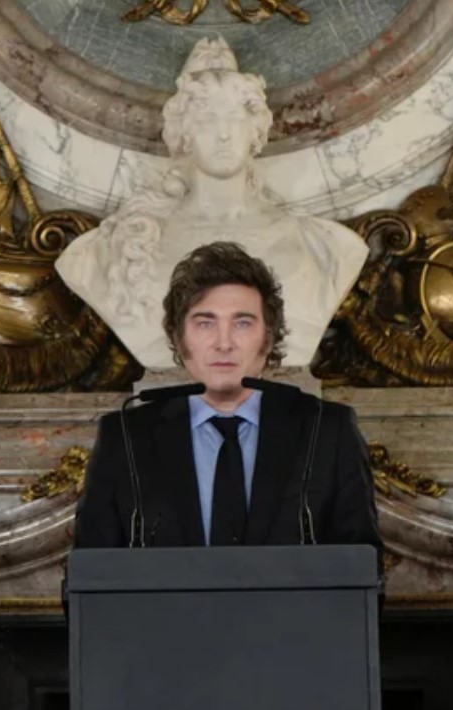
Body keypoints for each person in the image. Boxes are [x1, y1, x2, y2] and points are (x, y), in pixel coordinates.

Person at [54, 37, 368, 369]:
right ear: (184, 134)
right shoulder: (117, 247)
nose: (224, 133)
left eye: (234, 118)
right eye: (208, 119)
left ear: (256, 131)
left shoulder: (326, 246)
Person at [74, 241, 380, 548]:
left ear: (268, 338)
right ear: (179, 338)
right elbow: (90, 566)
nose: (224, 343)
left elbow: (362, 564)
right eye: (205, 323)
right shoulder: (125, 436)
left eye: (242, 323)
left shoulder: (328, 430)